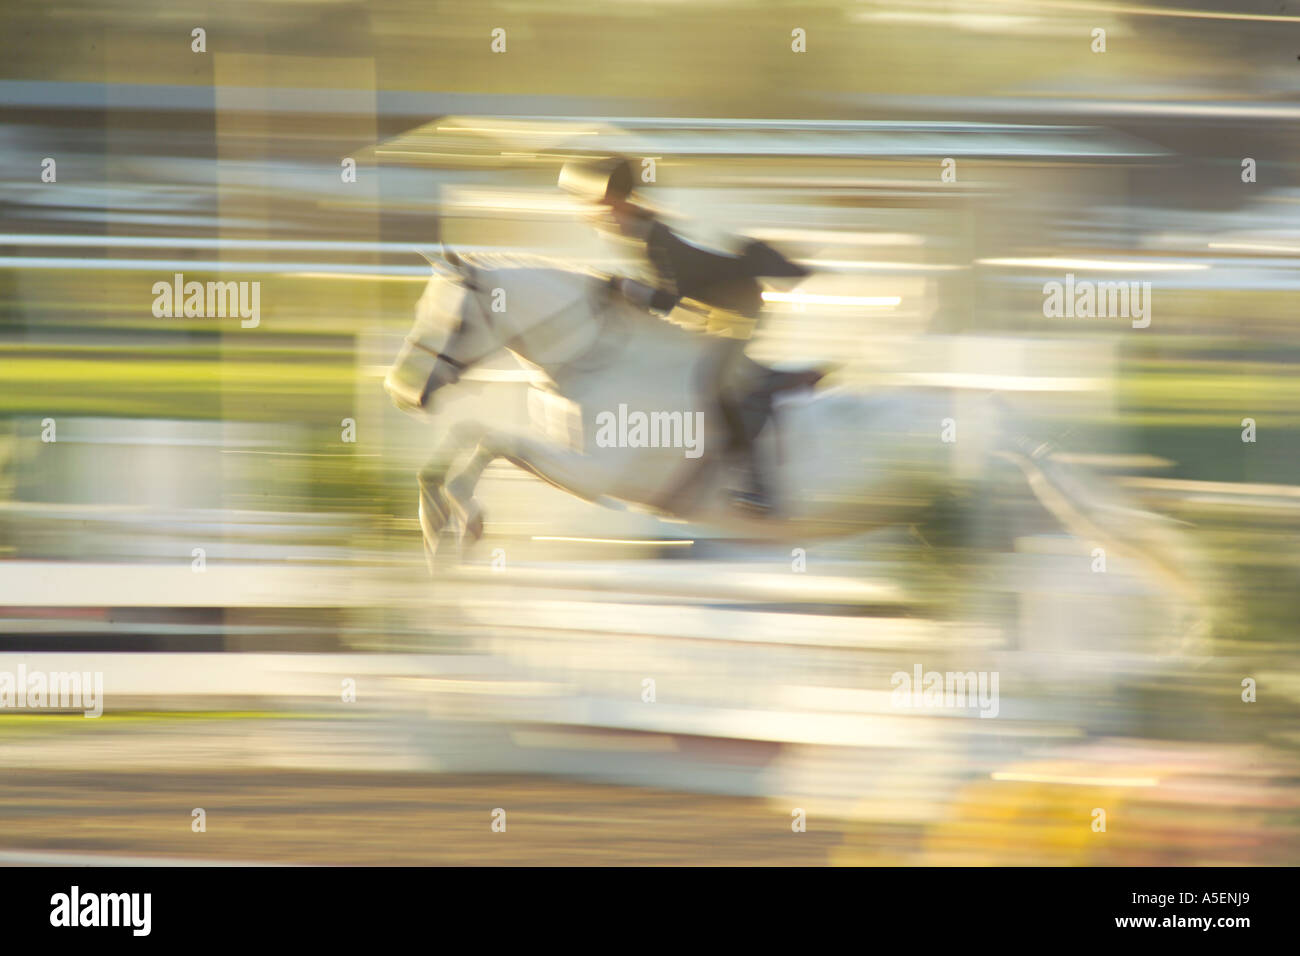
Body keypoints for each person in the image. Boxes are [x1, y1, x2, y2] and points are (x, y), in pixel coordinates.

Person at [559, 156, 810, 514]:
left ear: (616, 198)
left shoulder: (650, 234)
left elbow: (669, 300)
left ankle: (756, 483)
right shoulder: (626, 228)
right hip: (709, 305)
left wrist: (627, 288)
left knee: (720, 385)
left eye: (597, 200)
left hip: (738, 306)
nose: (591, 207)